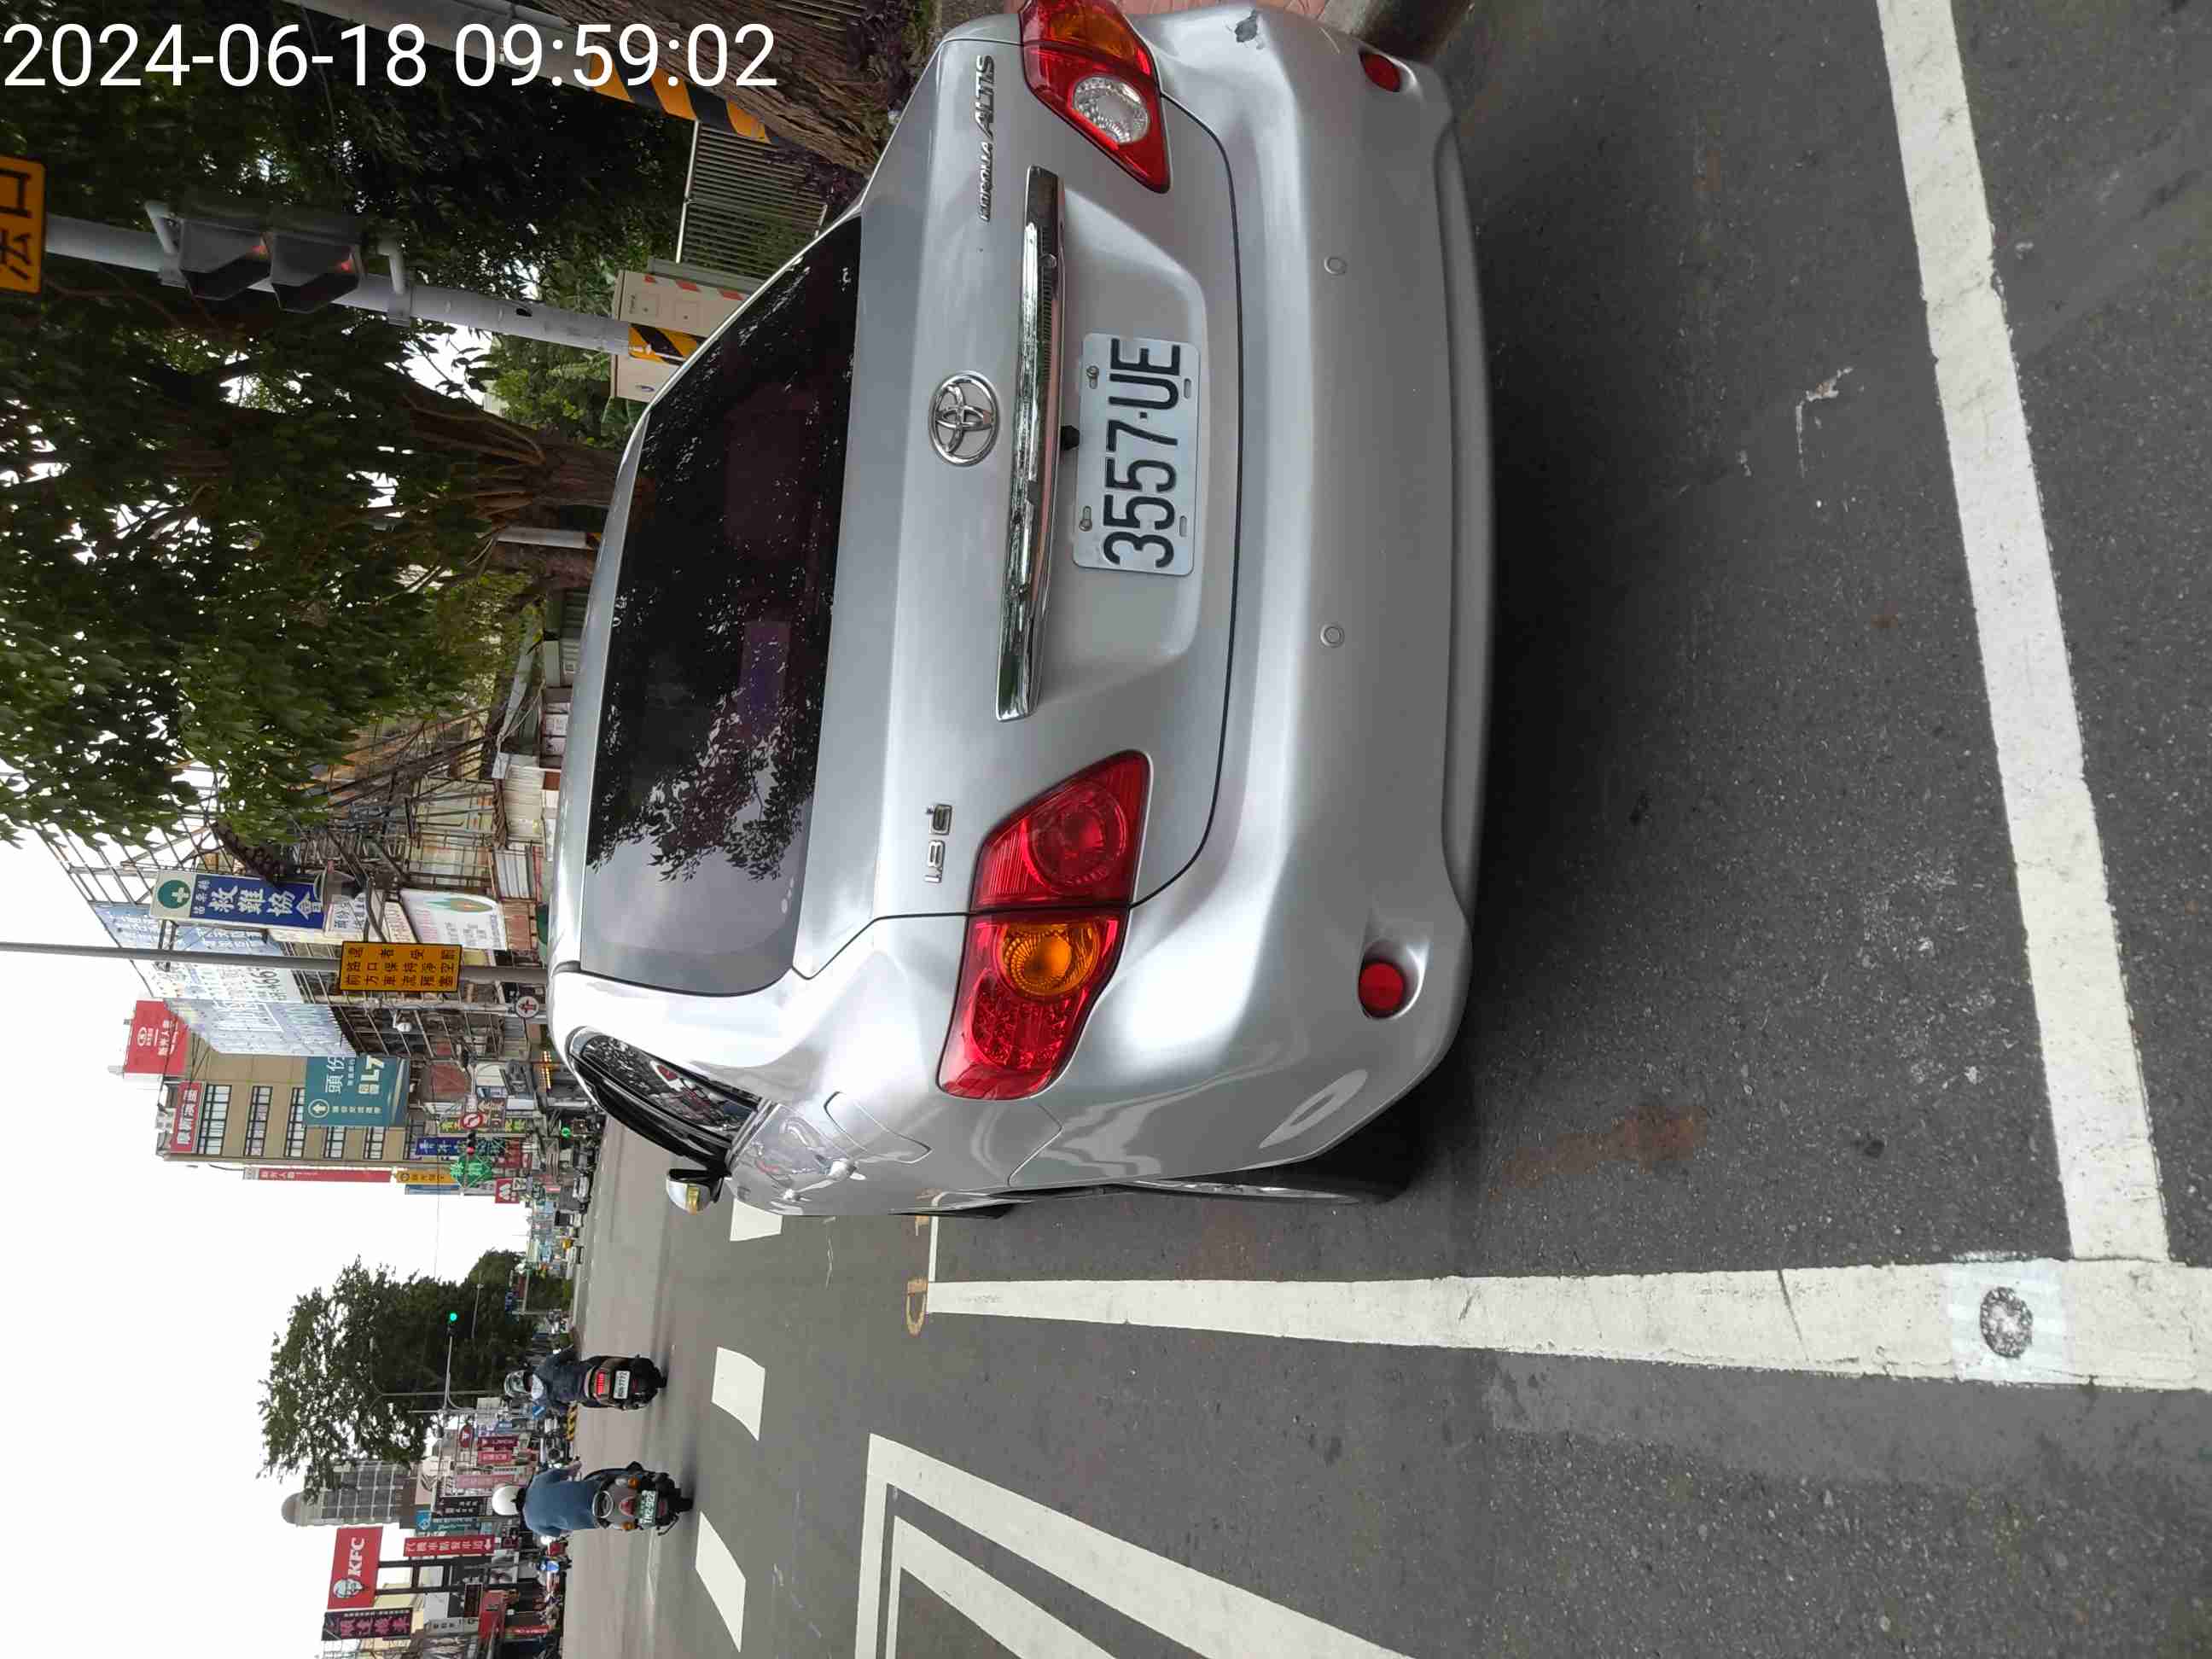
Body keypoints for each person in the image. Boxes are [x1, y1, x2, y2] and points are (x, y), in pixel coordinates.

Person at [494, 1467, 610, 1538]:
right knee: (605, 1478)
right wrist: (576, 1465)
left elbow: (563, 1532)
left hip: (595, 1519)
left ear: (509, 1511)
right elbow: (567, 1471)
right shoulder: (538, 1481)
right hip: (596, 1489)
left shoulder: (531, 1524)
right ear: (512, 1488)